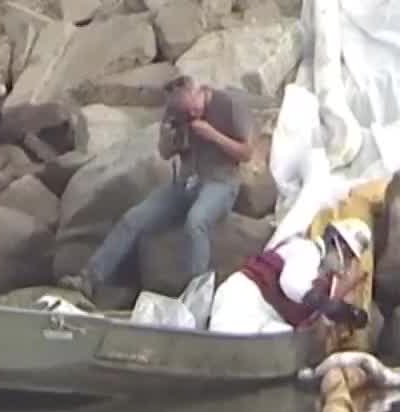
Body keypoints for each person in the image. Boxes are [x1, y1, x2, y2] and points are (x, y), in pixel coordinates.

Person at [59, 75, 255, 301]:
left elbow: (246, 153)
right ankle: (89, 278)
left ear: (198, 90)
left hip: (221, 183)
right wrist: (167, 138)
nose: (191, 116)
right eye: (184, 113)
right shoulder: (176, 113)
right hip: (185, 183)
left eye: (193, 110)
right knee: (132, 219)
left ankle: (197, 295)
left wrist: (212, 134)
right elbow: (165, 154)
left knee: (196, 221)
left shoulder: (228, 105)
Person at [208, 219, 372, 338]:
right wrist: (331, 307)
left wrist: (348, 314)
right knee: (227, 347)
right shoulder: (306, 249)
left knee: (283, 341)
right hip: (241, 302)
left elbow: (320, 315)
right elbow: (292, 285)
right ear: (337, 244)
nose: (348, 262)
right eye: (348, 255)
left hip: (266, 317)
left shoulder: (323, 279)